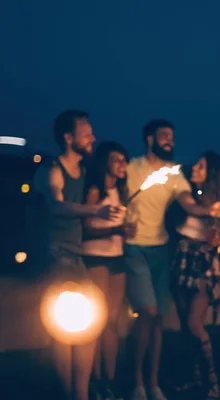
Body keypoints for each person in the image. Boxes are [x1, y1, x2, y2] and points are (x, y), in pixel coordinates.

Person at [125, 120, 220, 400]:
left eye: (172, 136)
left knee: (183, 322)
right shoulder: (135, 169)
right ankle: (172, 380)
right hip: (167, 257)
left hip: (184, 260)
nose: (171, 141)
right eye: (164, 136)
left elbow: (199, 213)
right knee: (174, 321)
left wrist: (213, 220)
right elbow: (187, 208)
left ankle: (202, 382)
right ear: (150, 139)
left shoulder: (184, 184)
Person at [34, 110, 120, 400]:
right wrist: (96, 210)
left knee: (89, 327)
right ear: (68, 138)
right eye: (86, 133)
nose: (92, 137)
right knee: (65, 334)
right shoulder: (53, 170)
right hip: (56, 260)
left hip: (77, 260)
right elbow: (56, 207)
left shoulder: (84, 174)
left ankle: (80, 393)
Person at [168, 151, 220, 399]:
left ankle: (211, 380)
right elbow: (191, 208)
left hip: (204, 265)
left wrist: (218, 240)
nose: (195, 168)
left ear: (212, 173)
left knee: (195, 324)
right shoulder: (186, 194)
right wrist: (208, 212)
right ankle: (193, 379)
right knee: (186, 325)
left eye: (201, 166)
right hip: (182, 261)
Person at [82, 141, 134, 400]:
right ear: (105, 162)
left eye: (124, 160)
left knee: (112, 322)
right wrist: (115, 229)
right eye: (117, 160)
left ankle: (108, 382)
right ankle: (93, 381)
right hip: (96, 258)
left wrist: (126, 233)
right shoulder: (95, 191)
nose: (123, 164)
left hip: (117, 258)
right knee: (97, 321)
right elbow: (86, 228)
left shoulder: (121, 193)